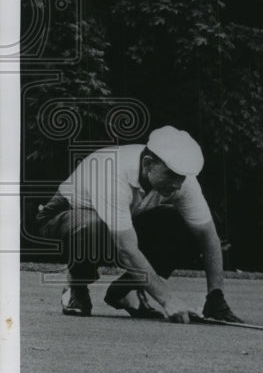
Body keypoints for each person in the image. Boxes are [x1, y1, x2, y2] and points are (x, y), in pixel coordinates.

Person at [36, 125, 242, 324]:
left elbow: (207, 235)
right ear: (148, 164)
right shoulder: (113, 173)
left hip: (123, 220)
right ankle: (76, 283)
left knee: (185, 229)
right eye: (172, 175)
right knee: (94, 227)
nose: (178, 184)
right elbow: (126, 249)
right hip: (62, 218)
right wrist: (168, 300)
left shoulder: (182, 180)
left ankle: (125, 291)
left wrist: (216, 298)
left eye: (182, 177)